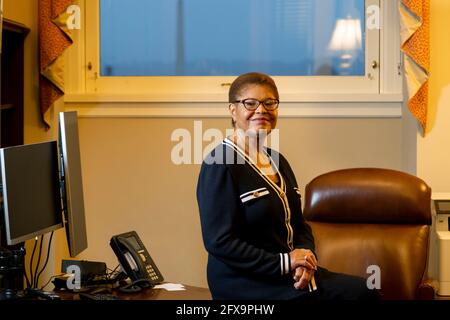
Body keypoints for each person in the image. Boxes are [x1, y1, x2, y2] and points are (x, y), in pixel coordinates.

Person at [196, 72, 379, 300]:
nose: (261, 110)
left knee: (364, 291)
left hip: (288, 274)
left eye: (269, 103)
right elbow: (219, 241)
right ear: (233, 110)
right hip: (246, 282)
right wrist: (286, 262)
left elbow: (299, 224)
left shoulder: (277, 160)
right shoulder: (220, 163)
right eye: (250, 103)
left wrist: (306, 260)